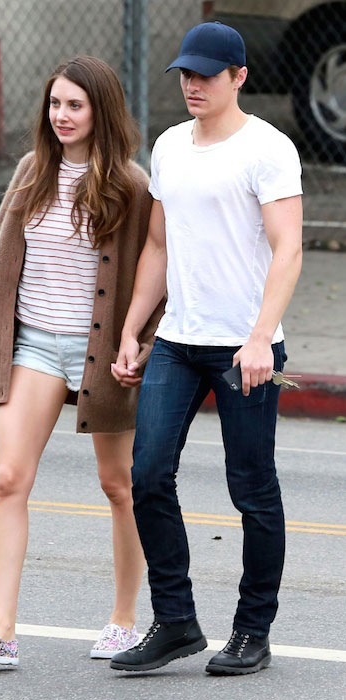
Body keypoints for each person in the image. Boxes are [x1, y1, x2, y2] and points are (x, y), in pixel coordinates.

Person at [0, 55, 163, 665]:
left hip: (102, 355)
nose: (61, 115)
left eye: (75, 105)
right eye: (55, 103)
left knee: (120, 486)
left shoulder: (132, 184)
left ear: (101, 111)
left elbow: (158, 275)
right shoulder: (31, 171)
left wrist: (140, 349)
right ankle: (0, 631)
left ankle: (123, 619)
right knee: (9, 480)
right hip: (33, 344)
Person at [110, 22, 303, 676]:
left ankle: (253, 630)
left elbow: (288, 249)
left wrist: (258, 339)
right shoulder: (168, 147)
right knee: (146, 474)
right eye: (185, 75)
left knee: (250, 490)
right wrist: (134, 330)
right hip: (177, 341)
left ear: (238, 77)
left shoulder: (267, 149)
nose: (192, 85)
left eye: (206, 75)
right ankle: (175, 622)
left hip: (243, 349)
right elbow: (158, 247)